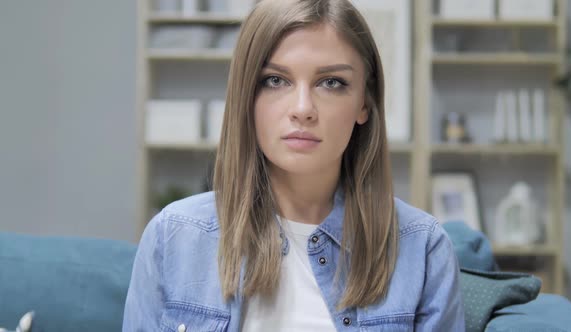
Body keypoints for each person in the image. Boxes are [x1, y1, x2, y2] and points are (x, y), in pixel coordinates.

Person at [123, 0, 465, 331]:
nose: (303, 108)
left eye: (331, 82)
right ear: (246, 96)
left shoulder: (423, 248)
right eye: (275, 80)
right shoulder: (172, 237)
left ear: (364, 102)